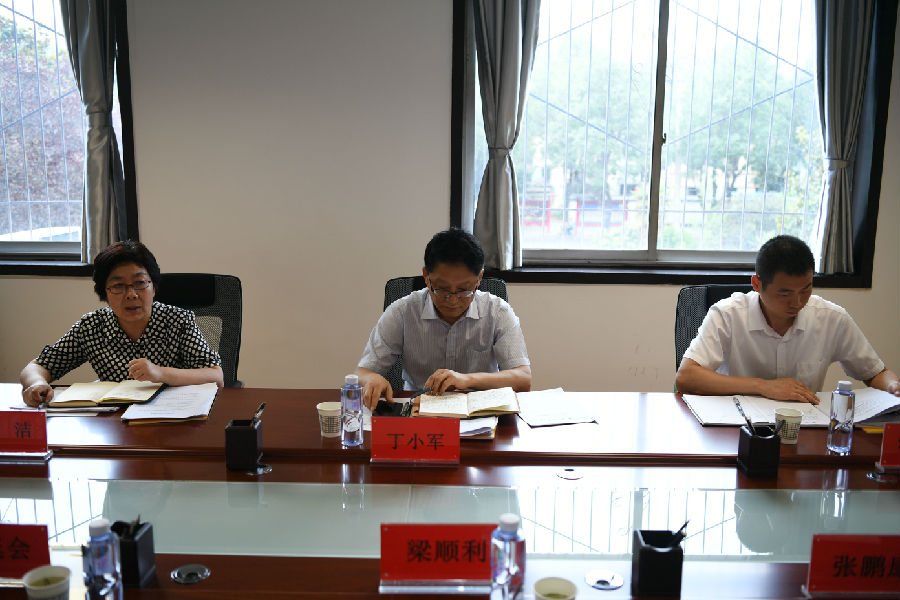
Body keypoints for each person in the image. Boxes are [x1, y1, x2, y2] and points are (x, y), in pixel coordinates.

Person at [675, 235, 900, 403]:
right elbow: (686, 377)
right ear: (757, 284)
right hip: (735, 427)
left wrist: (893, 386)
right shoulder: (727, 314)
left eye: (806, 289)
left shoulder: (832, 318)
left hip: (804, 427)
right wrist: (763, 387)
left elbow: (875, 373)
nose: (797, 302)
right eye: (785, 293)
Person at [20, 241, 224, 407]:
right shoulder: (91, 326)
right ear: (105, 292)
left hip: (172, 417)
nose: (131, 294)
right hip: (114, 422)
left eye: (140, 283)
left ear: (153, 287)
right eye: (118, 285)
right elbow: (37, 366)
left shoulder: (177, 320)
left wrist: (160, 372)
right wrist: (36, 384)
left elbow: (215, 376)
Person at [356, 228, 531, 410]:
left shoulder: (498, 312)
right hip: (420, 409)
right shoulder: (402, 312)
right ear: (426, 276)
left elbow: (523, 379)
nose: (453, 300)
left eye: (463, 290)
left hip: (480, 411)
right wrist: (372, 378)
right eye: (442, 289)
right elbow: (362, 372)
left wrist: (466, 380)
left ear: (479, 278)